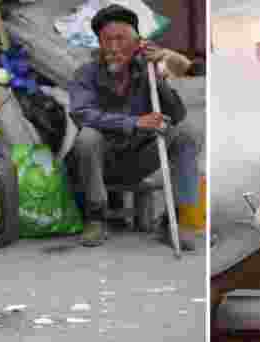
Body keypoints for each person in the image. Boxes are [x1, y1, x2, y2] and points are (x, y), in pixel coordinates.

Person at [68, 4, 203, 250]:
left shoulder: (147, 70)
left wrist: (159, 76)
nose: (113, 47)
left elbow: (177, 113)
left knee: (187, 133)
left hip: (138, 159)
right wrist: (135, 122)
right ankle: (96, 217)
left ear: (137, 42)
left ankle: (174, 220)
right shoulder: (85, 74)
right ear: (99, 42)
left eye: (121, 39)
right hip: (101, 163)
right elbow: (82, 114)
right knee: (88, 137)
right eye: (106, 40)